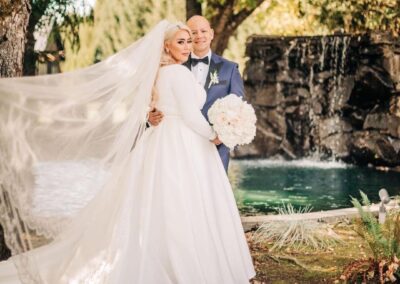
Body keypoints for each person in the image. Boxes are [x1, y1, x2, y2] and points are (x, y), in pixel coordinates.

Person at [0, 21, 255, 283]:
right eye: (181, 41)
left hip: (163, 141)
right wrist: (215, 135)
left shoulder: (160, 72)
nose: (188, 45)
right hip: (183, 142)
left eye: (189, 41)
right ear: (166, 45)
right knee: (183, 204)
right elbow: (190, 115)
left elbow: (159, 105)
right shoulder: (178, 73)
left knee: (161, 203)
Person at [148, 15, 244, 171]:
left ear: (211, 34)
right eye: (193, 33)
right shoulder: (175, 65)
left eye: (203, 31)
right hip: (178, 145)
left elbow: (238, 106)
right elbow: (152, 101)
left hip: (215, 147)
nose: (199, 36)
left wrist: (226, 134)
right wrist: (149, 116)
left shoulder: (230, 69)